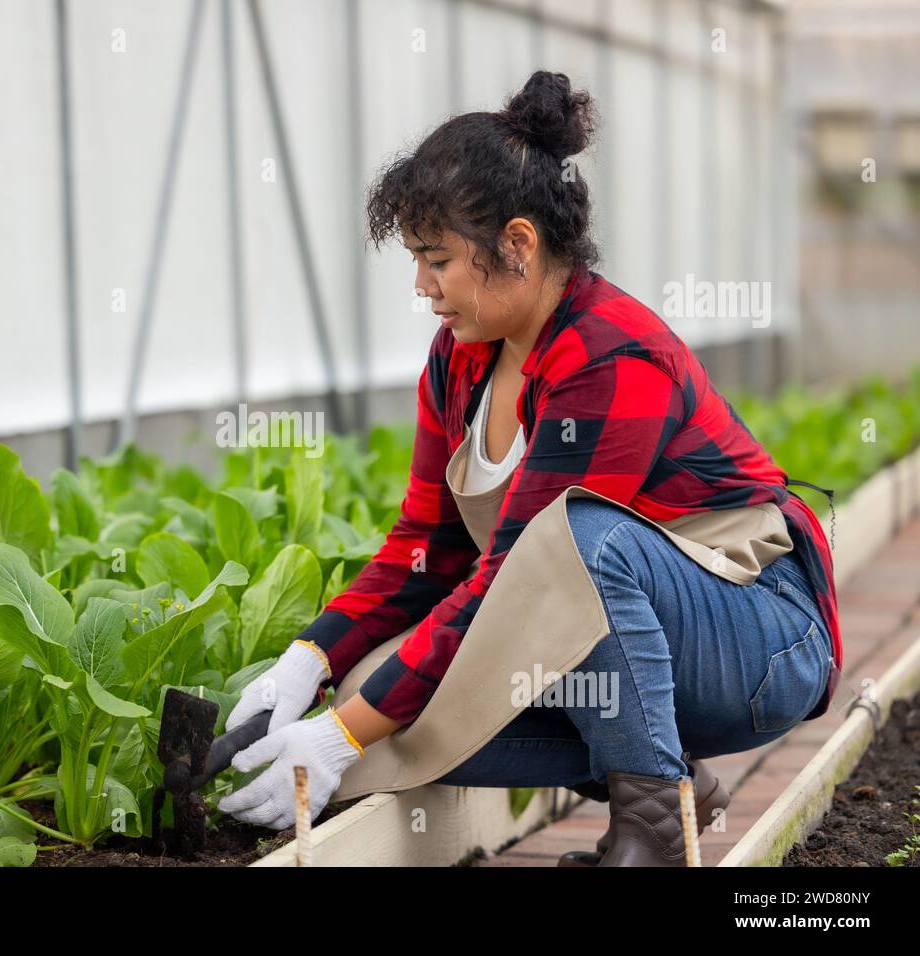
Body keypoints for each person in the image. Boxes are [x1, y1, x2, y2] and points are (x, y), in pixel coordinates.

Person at [217, 71, 841, 866]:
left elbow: (524, 572)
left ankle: (650, 828)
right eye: (415, 260)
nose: (421, 287)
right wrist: (312, 660)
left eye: (436, 259)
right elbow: (427, 547)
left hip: (759, 638)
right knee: (374, 682)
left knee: (578, 538)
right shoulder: (459, 361)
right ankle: (659, 773)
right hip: (621, 642)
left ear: (516, 244)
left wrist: (342, 734)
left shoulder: (611, 354)